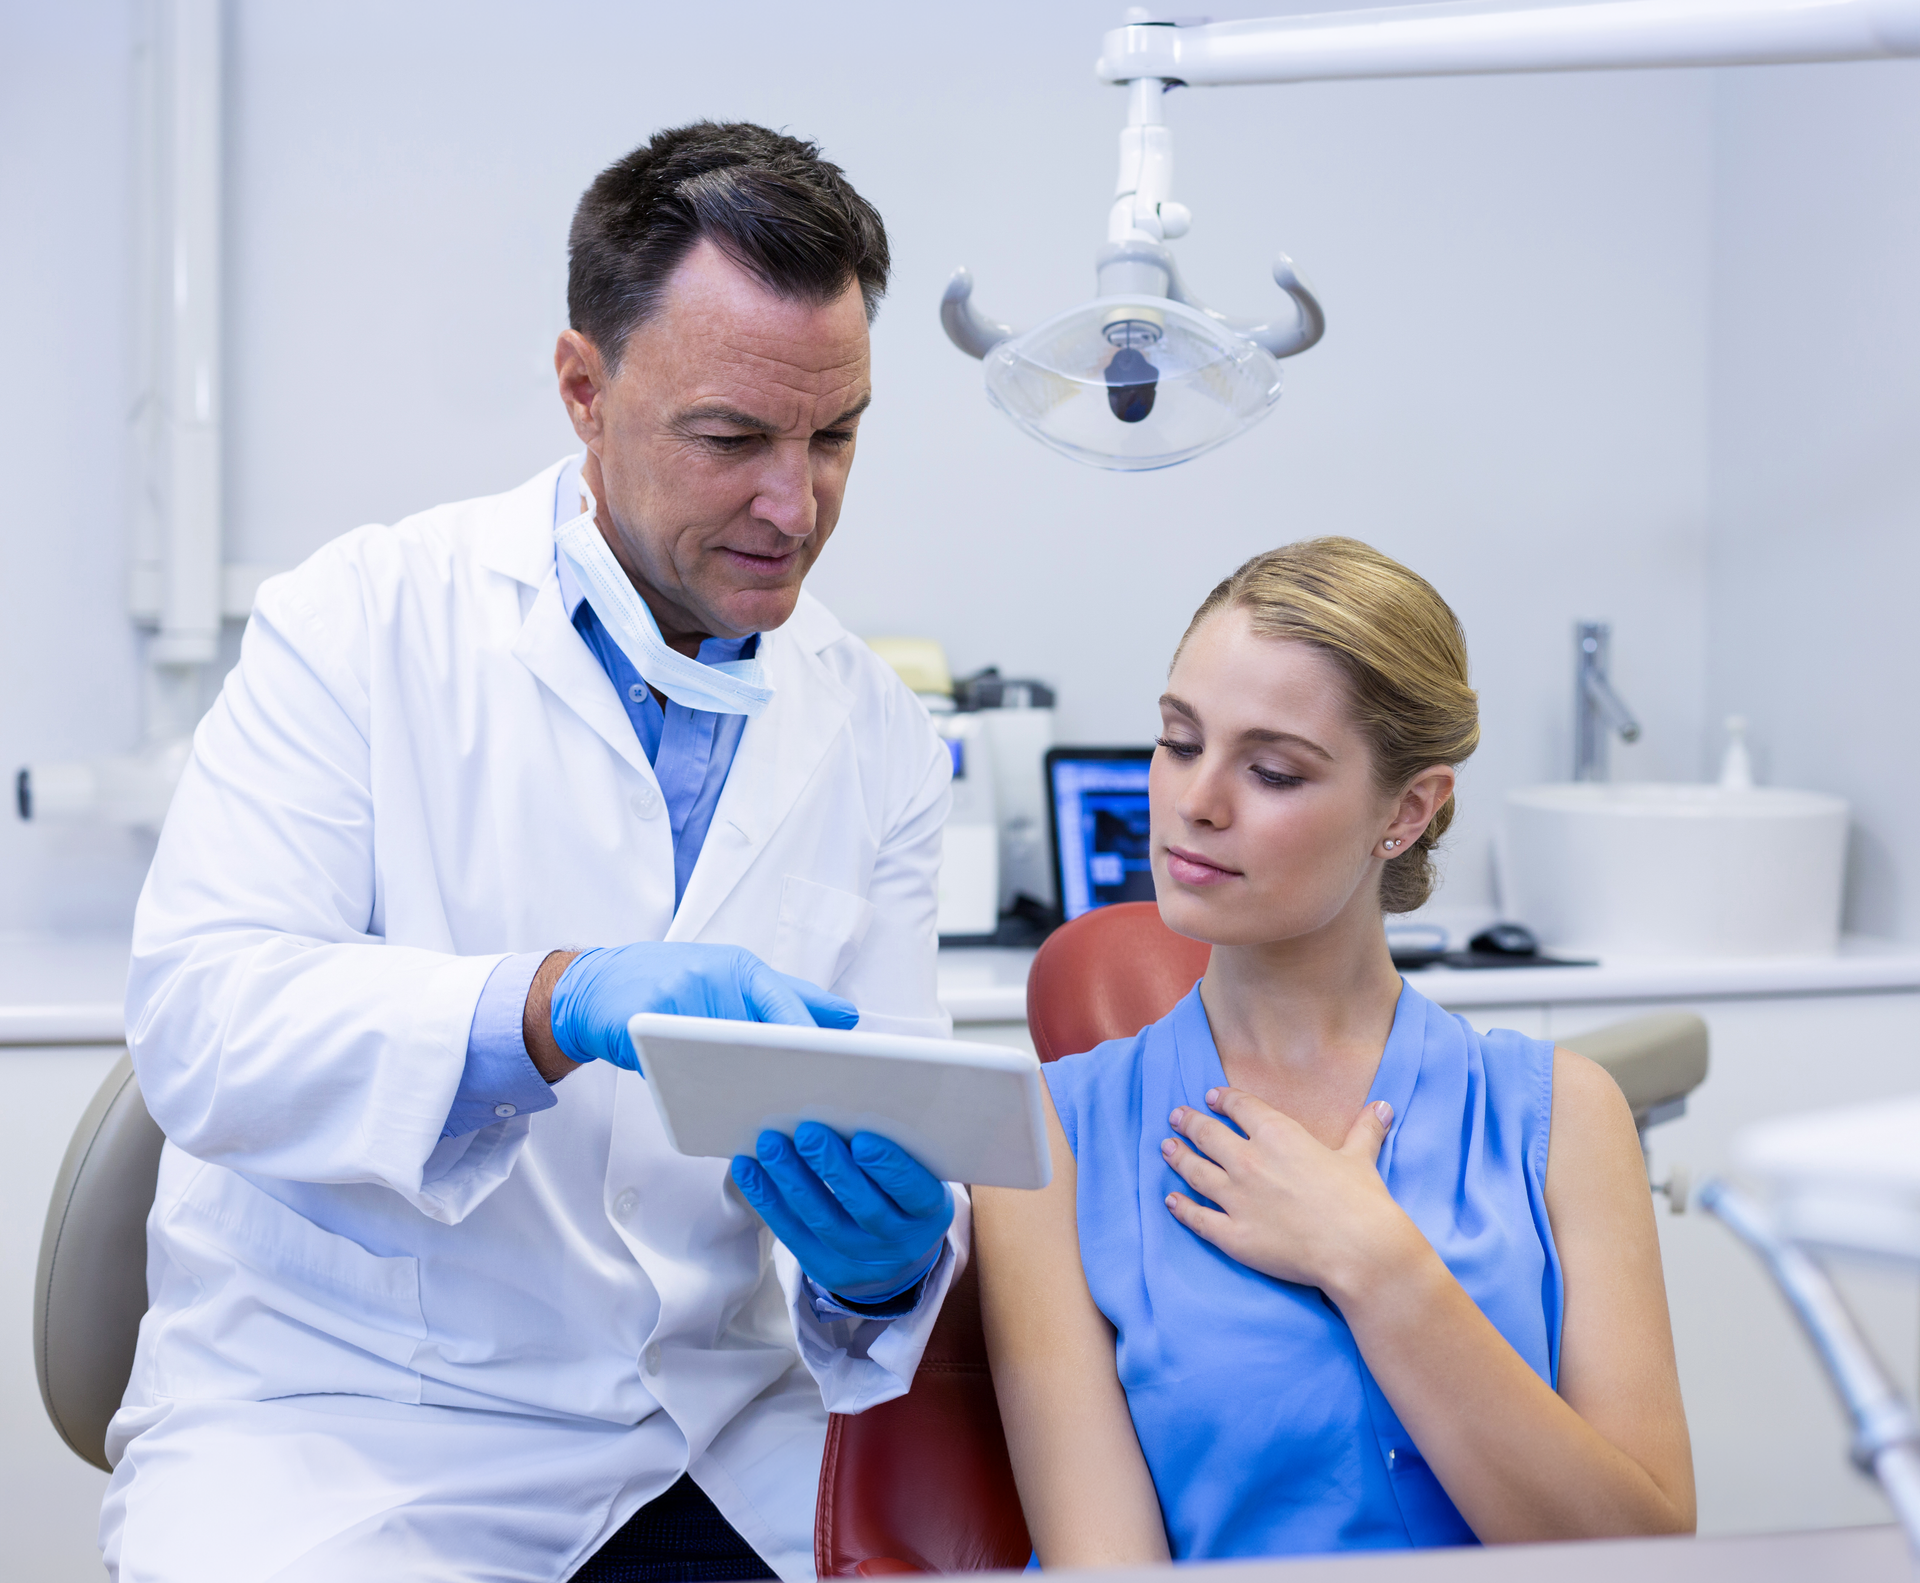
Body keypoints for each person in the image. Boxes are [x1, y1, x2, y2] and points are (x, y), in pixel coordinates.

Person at [105, 123, 964, 1583]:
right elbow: (203, 1019)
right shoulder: (364, 622)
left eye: (835, 436)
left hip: (706, 1428)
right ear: (585, 386)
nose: (794, 503)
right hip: (356, 1431)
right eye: (732, 437)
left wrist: (887, 1262)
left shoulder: (873, 727)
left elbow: (894, 1112)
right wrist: (550, 1001)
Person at [974, 539, 1695, 1564]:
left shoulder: (1568, 1115)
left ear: (1406, 810)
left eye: (1270, 769)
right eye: (1179, 741)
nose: (1197, 800)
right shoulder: (1047, 1135)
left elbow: (1650, 1559)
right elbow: (1107, 1563)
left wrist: (1379, 1265)